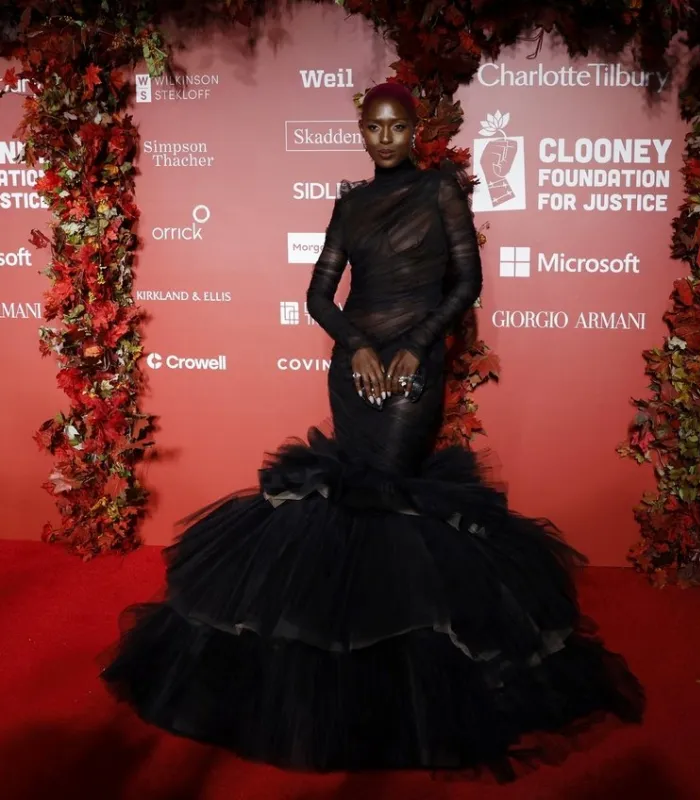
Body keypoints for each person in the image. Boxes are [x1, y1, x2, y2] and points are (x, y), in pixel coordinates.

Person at [101, 82, 644, 780]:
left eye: (396, 128)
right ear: (362, 131)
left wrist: (414, 346)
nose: (384, 139)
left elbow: (465, 282)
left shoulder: (441, 191)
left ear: (415, 130)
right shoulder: (349, 203)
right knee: (346, 505)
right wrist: (356, 345)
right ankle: (345, 661)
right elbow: (319, 292)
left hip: (414, 367)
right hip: (353, 366)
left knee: (390, 497)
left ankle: (403, 674)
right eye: (373, 128)